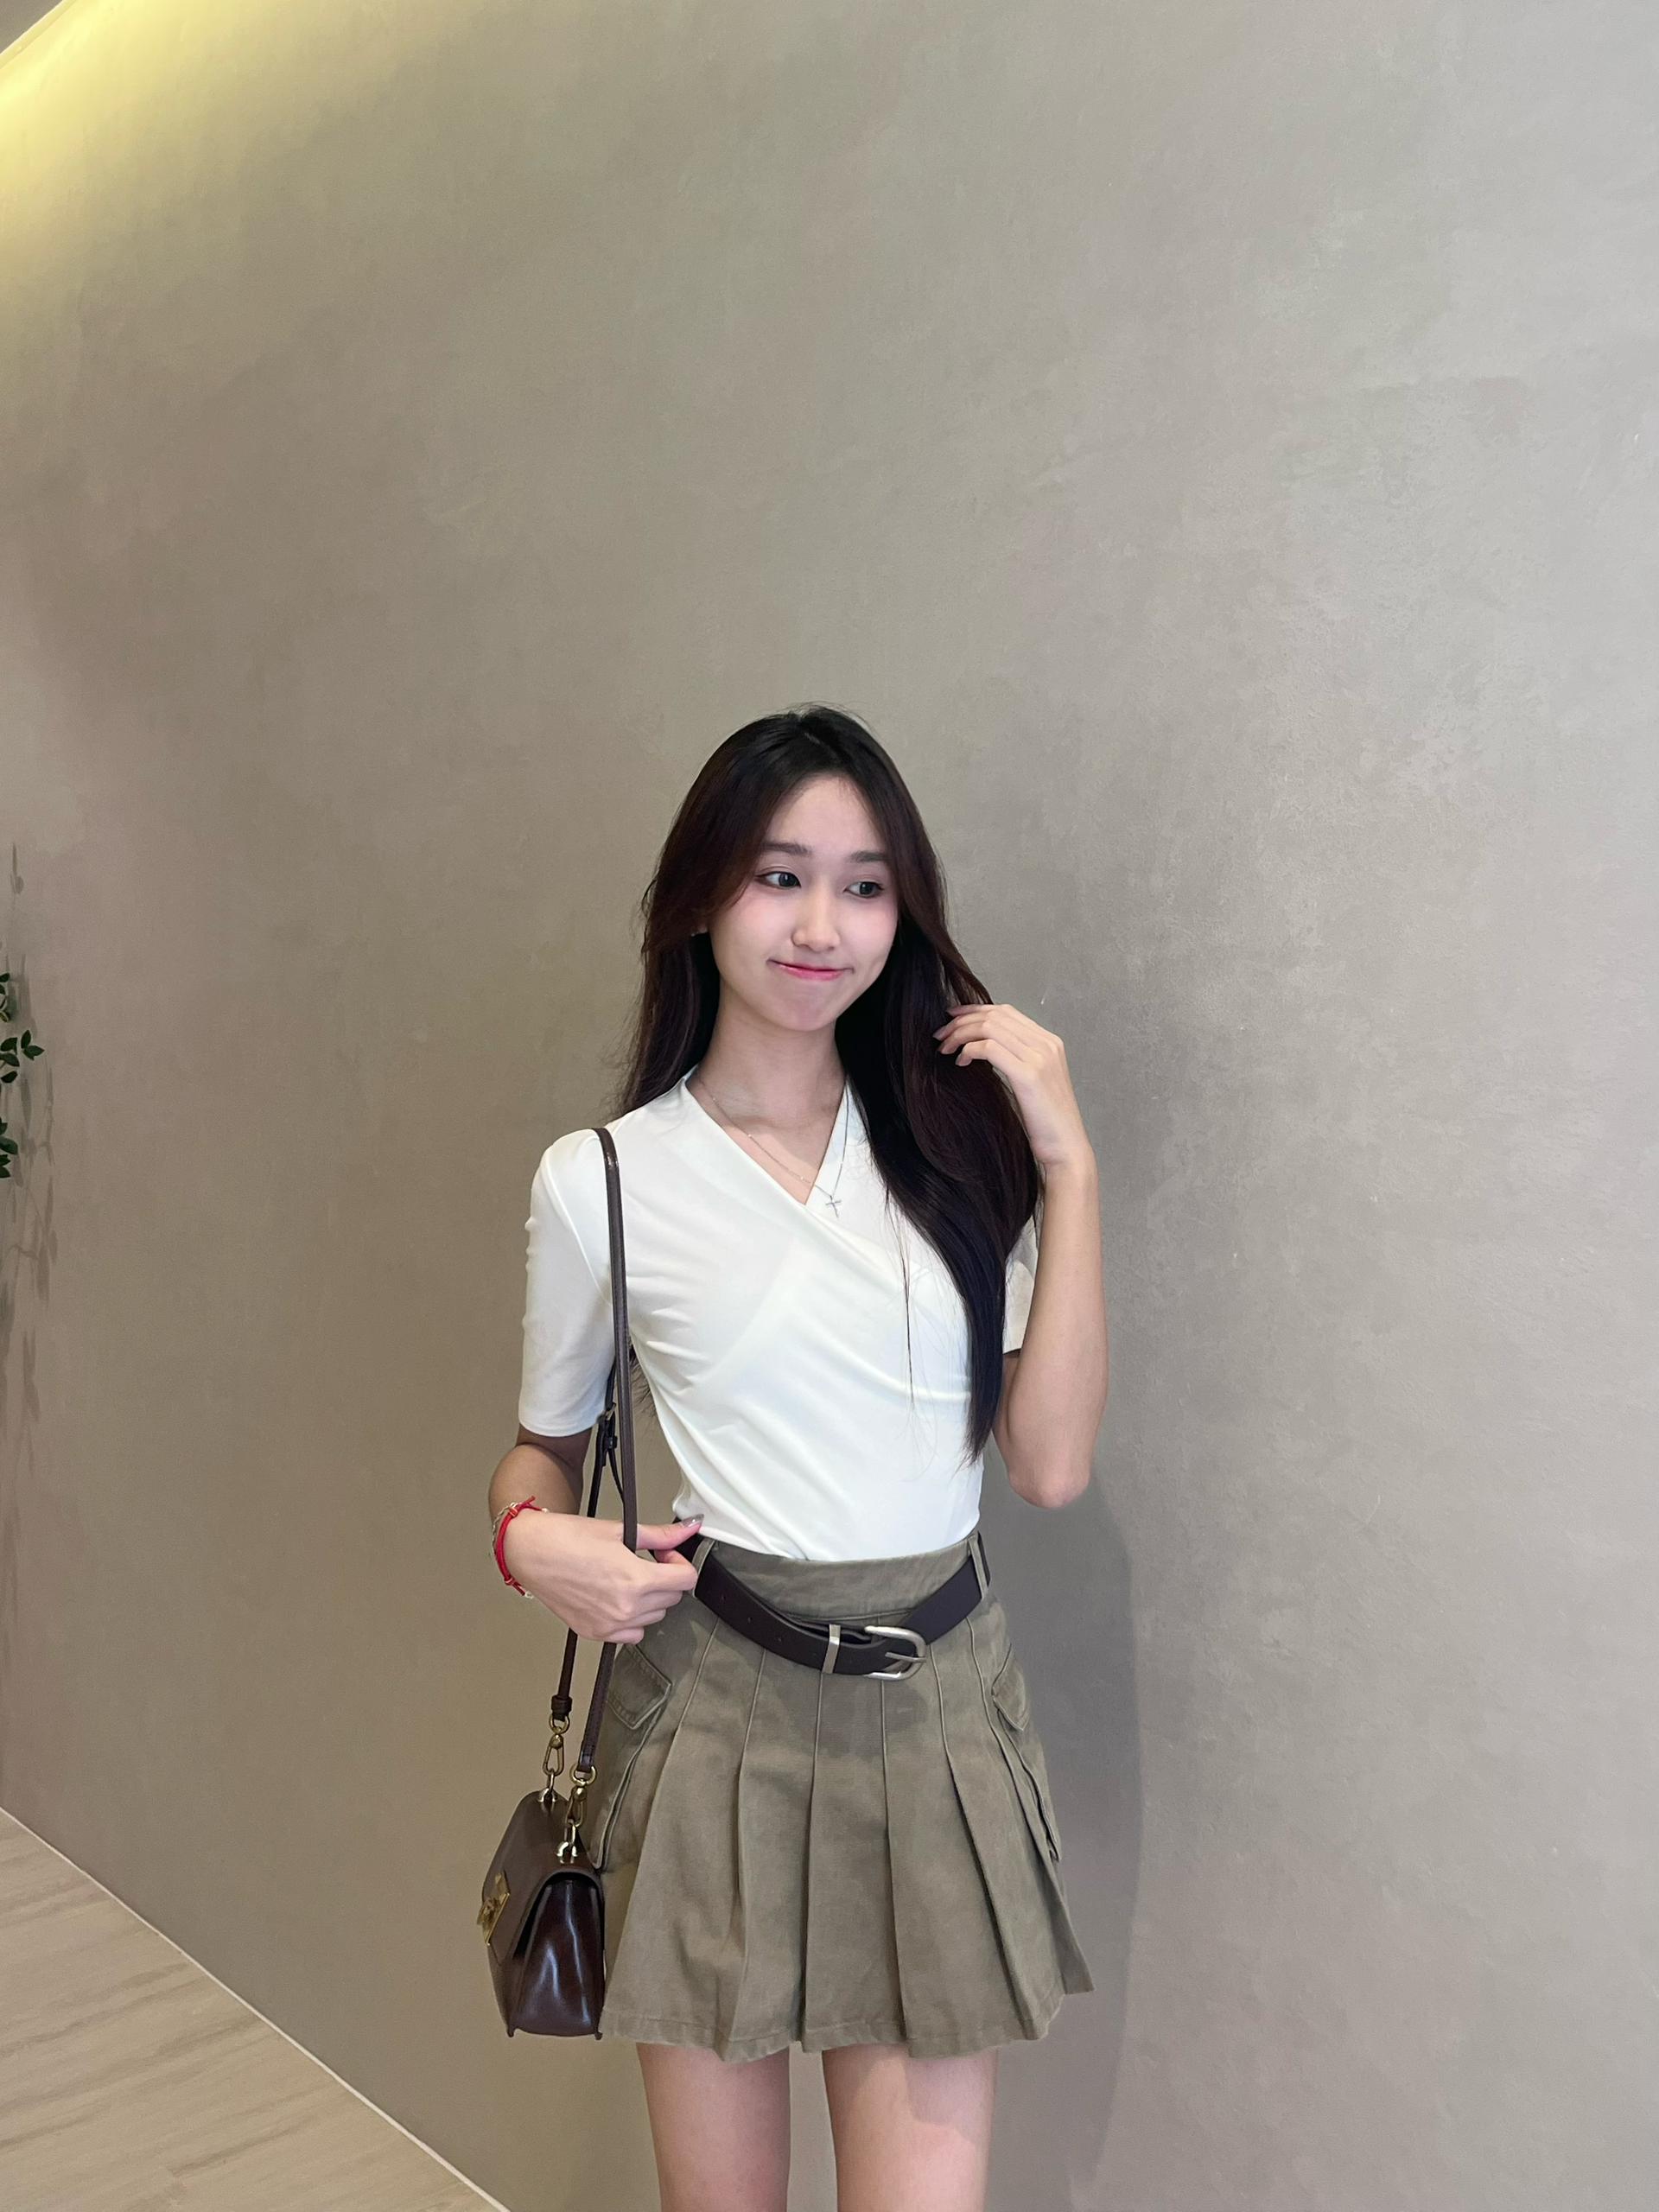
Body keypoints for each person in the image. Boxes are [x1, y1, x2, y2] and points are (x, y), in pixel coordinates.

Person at [486, 703, 1109, 2212]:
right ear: (703, 897)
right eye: (780, 877)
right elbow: (539, 1453)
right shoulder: (605, 1180)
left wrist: (1070, 1161)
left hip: (940, 1711)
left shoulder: (963, 1150)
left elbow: (1048, 1465)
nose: (823, 925)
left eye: (865, 884)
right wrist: (532, 1543)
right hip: (715, 1706)